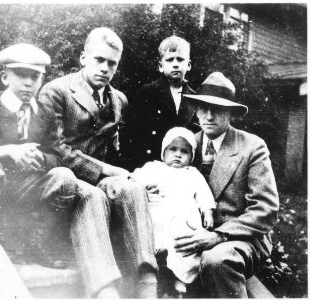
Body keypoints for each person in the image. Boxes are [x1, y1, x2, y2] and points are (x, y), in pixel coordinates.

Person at [0, 43, 121, 298]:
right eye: (21, 75)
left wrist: (40, 159)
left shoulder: (44, 112)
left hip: (30, 186)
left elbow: (58, 154)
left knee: (65, 177)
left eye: (35, 77)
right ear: (5, 77)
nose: (28, 83)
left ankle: (39, 240)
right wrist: (7, 151)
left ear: (41, 79)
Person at [39, 27, 157, 298]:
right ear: (83, 58)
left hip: (99, 179)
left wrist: (131, 176)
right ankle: (104, 289)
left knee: (132, 188)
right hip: (62, 178)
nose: (105, 68)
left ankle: (147, 281)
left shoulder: (119, 100)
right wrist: (106, 170)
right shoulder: (57, 92)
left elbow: (116, 153)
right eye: (99, 60)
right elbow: (56, 150)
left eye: (112, 63)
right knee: (92, 195)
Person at [174, 72, 280, 297]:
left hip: (241, 237)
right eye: (203, 108)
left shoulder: (252, 147)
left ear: (231, 113)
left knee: (216, 259)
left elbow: (266, 209)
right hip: (195, 232)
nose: (209, 116)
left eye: (218, 109)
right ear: (196, 110)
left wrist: (220, 235)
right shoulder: (186, 144)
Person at [131, 127, 216, 296]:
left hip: (183, 218)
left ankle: (181, 279)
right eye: (173, 149)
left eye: (184, 151)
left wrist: (208, 212)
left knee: (183, 246)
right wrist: (142, 188)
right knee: (155, 238)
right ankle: (155, 275)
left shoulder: (193, 174)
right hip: (158, 215)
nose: (178, 154)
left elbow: (204, 194)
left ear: (191, 156)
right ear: (163, 152)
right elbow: (134, 179)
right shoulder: (154, 168)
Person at [123, 35, 198, 171]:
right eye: (169, 60)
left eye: (180, 59)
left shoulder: (194, 98)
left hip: (179, 167)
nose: (175, 64)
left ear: (189, 65)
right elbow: (130, 133)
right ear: (160, 66)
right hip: (147, 164)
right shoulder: (148, 92)